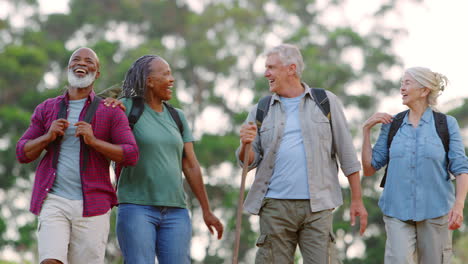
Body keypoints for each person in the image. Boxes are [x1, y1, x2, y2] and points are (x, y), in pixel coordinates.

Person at [237, 44, 367, 263]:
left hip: (318, 206)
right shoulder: (261, 108)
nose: (266, 73)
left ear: (291, 69)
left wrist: (357, 199)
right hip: (274, 207)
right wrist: (244, 144)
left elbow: (347, 154)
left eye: (271, 67)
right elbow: (248, 162)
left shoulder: (325, 102)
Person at [16, 47, 139, 264]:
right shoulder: (47, 108)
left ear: (97, 73)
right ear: (69, 67)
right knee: (50, 261)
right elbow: (22, 152)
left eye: (89, 61)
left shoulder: (110, 111)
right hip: (54, 199)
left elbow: (131, 154)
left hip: (93, 205)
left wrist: (94, 141)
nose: (81, 63)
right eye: (76, 59)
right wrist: (47, 136)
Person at [107, 55, 223, 264]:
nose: (172, 80)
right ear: (149, 81)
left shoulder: (177, 117)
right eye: (166, 74)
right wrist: (107, 107)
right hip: (136, 207)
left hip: (176, 211)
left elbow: (190, 165)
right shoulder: (126, 108)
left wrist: (207, 210)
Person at [361, 67, 468, 264]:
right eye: (402, 83)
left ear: (424, 90)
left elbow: (461, 168)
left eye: (407, 83)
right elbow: (369, 168)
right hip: (396, 211)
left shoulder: (446, 124)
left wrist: (459, 206)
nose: (402, 88)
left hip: (436, 211)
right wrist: (366, 130)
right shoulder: (392, 124)